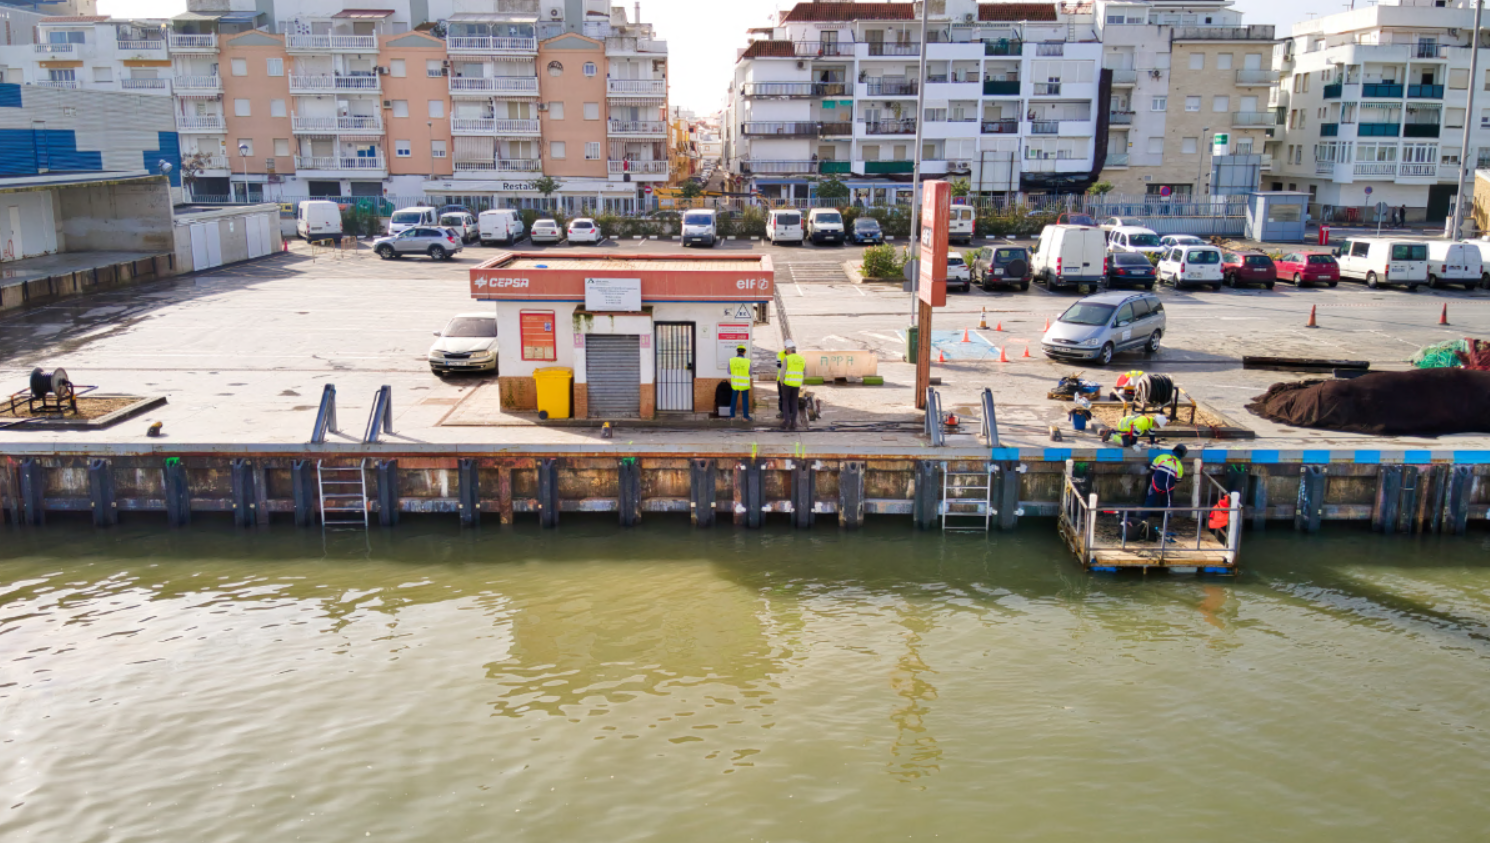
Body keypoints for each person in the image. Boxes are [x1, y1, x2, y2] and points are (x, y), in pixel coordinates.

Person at [780, 343, 806, 431]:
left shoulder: (787, 358)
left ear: (789, 351)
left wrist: (781, 382)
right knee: (794, 402)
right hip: (797, 384)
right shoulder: (802, 359)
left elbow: (782, 371)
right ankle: (794, 422)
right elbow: (805, 372)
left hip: (787, 383)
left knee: (785, 402)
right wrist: (801, 382)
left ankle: (787, 421)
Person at [728, 344, 752, 421]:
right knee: (745, 400)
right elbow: (750, 372)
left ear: (737, 351)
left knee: (733, 399)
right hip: (744, 384)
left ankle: (732, 416)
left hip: (735, 384)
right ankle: (745, 417)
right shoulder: (747, 361)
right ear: (744, 352)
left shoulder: (731, 360)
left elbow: (729, 371)